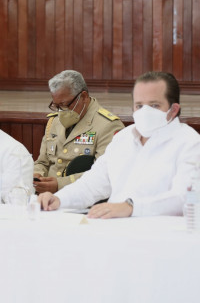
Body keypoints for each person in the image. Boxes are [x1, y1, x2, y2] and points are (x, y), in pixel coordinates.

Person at [39, 72, 200, 218]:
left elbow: (185, 197)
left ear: (173, 110)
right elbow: (92, 185)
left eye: (154, 105)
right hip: (114, 229)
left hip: (161, 234)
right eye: (139, 105)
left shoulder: (190, 144)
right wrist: (59, 199)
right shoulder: (123, 138)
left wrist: (131, 207)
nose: (145, 112)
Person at [33, 70, 124, 194]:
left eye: (65, 104)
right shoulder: (54, 121)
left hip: (84, 198)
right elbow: (42, 162)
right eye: (57, 106)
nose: (61, 111)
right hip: (46, 196)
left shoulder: (108, 125)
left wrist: (60, 185)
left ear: (84, 97)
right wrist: (36, 175)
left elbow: (104, 174)